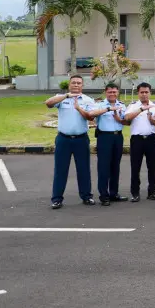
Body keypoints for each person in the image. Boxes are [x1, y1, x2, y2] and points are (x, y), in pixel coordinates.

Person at [46, 75, 98, 209]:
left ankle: (87, 196)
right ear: (69, 85)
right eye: (73, 83)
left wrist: (79, 109)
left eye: (78, 83)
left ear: (82, 86)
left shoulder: (87, 100)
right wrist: (66, 96)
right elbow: (48, 103)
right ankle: (57, 199)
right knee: (60, 170)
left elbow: (92, 117)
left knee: (84, 169)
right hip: (64, 139)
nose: (76, 85)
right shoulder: (61, 98)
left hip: (81, 139)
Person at [90, 83, 129, 205]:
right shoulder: (100, 105)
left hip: (118, 136)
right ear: (105, 93)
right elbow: (92, 116)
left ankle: (113, 193)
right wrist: (107, 109)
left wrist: (120, 119)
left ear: (118, 92)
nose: (112, 94)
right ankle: (104, 195)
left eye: (114, 92)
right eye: (110, 92)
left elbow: (126, 120)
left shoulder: (121, 105)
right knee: (103, 167)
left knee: (115, 166)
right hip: (104, 137)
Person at [124, 82, 155, 202]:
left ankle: (152, 191)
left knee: (152, 167)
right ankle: (135, 193)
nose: (144, 94)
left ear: (150, 93)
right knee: (135, 167)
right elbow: (127, 118)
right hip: (137, 140)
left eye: (146, 92)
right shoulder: (133, 105)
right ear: (138, 93)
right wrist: (141, 109)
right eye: (142, 92)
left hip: (151, 138)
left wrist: (153, 120)